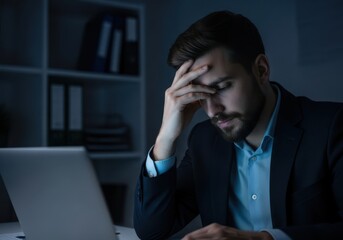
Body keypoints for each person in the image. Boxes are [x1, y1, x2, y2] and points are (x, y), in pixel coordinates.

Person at [134, 10, 343, 240]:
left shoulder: (332, 126)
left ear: (261, 69)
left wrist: (262, 239)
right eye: (200, 95)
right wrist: (165, 138)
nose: (212, 110)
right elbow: (151, 232)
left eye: (222, 87)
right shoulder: (203, 140)